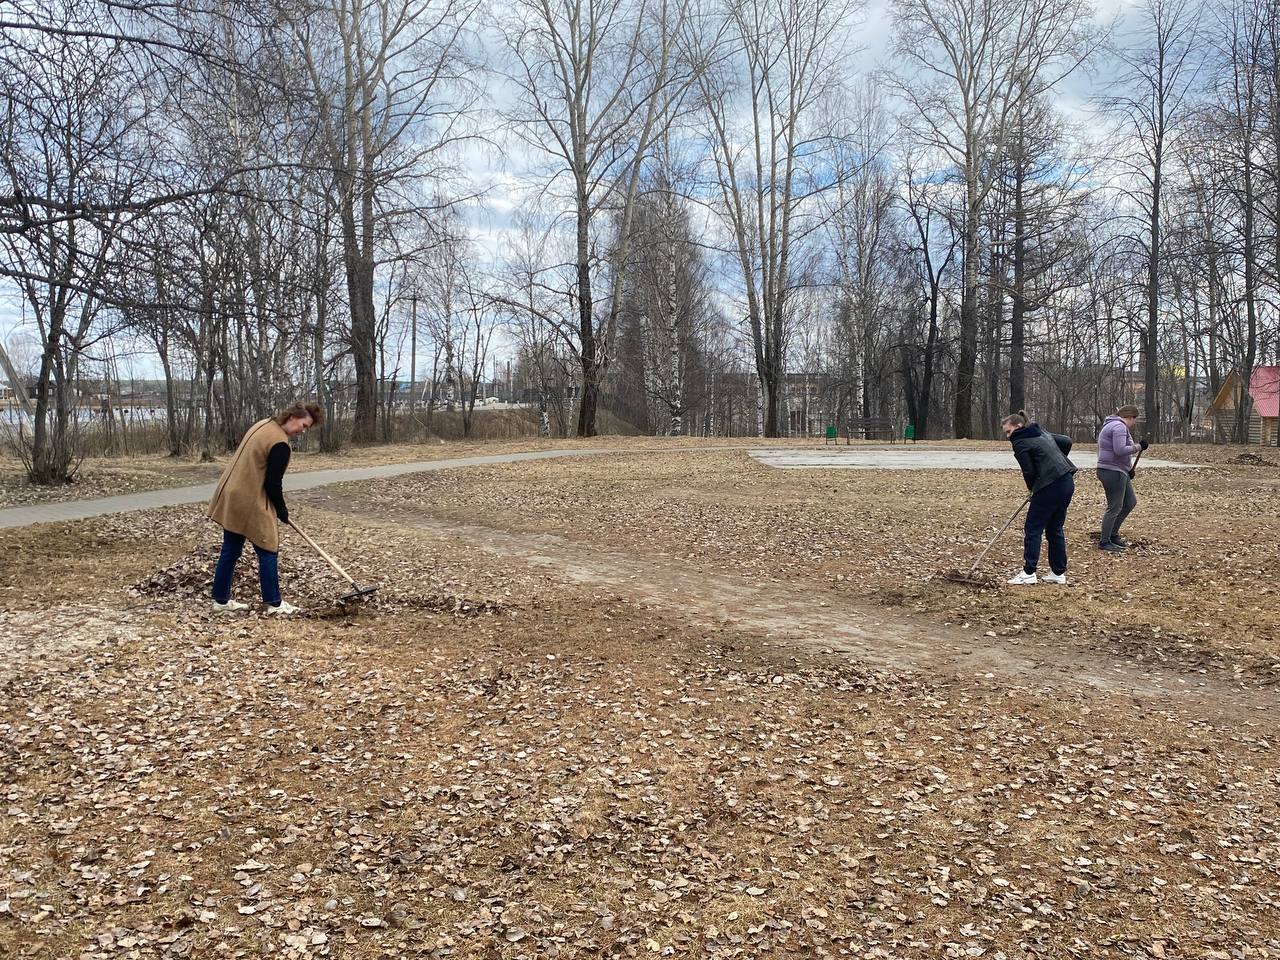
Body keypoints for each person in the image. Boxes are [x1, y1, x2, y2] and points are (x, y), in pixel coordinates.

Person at [206, 401, 322, 614]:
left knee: (230, 550)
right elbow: (272, 484)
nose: (303, 431)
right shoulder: (279, 444)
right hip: (249, 499)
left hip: (232, 494)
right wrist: (281, 510)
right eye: (303, 426)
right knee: (268, 548)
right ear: (292, 417)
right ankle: (274, 604)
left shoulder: (262, 425)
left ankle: (220, 601)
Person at [1001, 410, 1077, 586]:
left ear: (1018, 426)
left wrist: (1032, 489)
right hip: (1066, 481)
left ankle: (1028, 573)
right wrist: (1056, 460)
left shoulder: (1020, 441)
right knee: (1054, 528)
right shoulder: (1039, 431)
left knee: (1033, 528)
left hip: (1049, 486)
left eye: (1008, 431)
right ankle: (1058, 573)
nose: (1008, 436)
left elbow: (1029, 471)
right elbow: (1066, 441)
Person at [1095, 403, 1148, 553]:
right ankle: (1105, 541)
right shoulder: (1118, 427)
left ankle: (1112, 534)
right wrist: (1139, 447)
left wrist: (1129, 469)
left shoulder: (1113, 425)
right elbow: (1120, 450)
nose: (1135, 422)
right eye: (1134, 419)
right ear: (1129, 417)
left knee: (1130, 502)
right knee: (1114, 507)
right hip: (1113, 472)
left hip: (1118, 470)